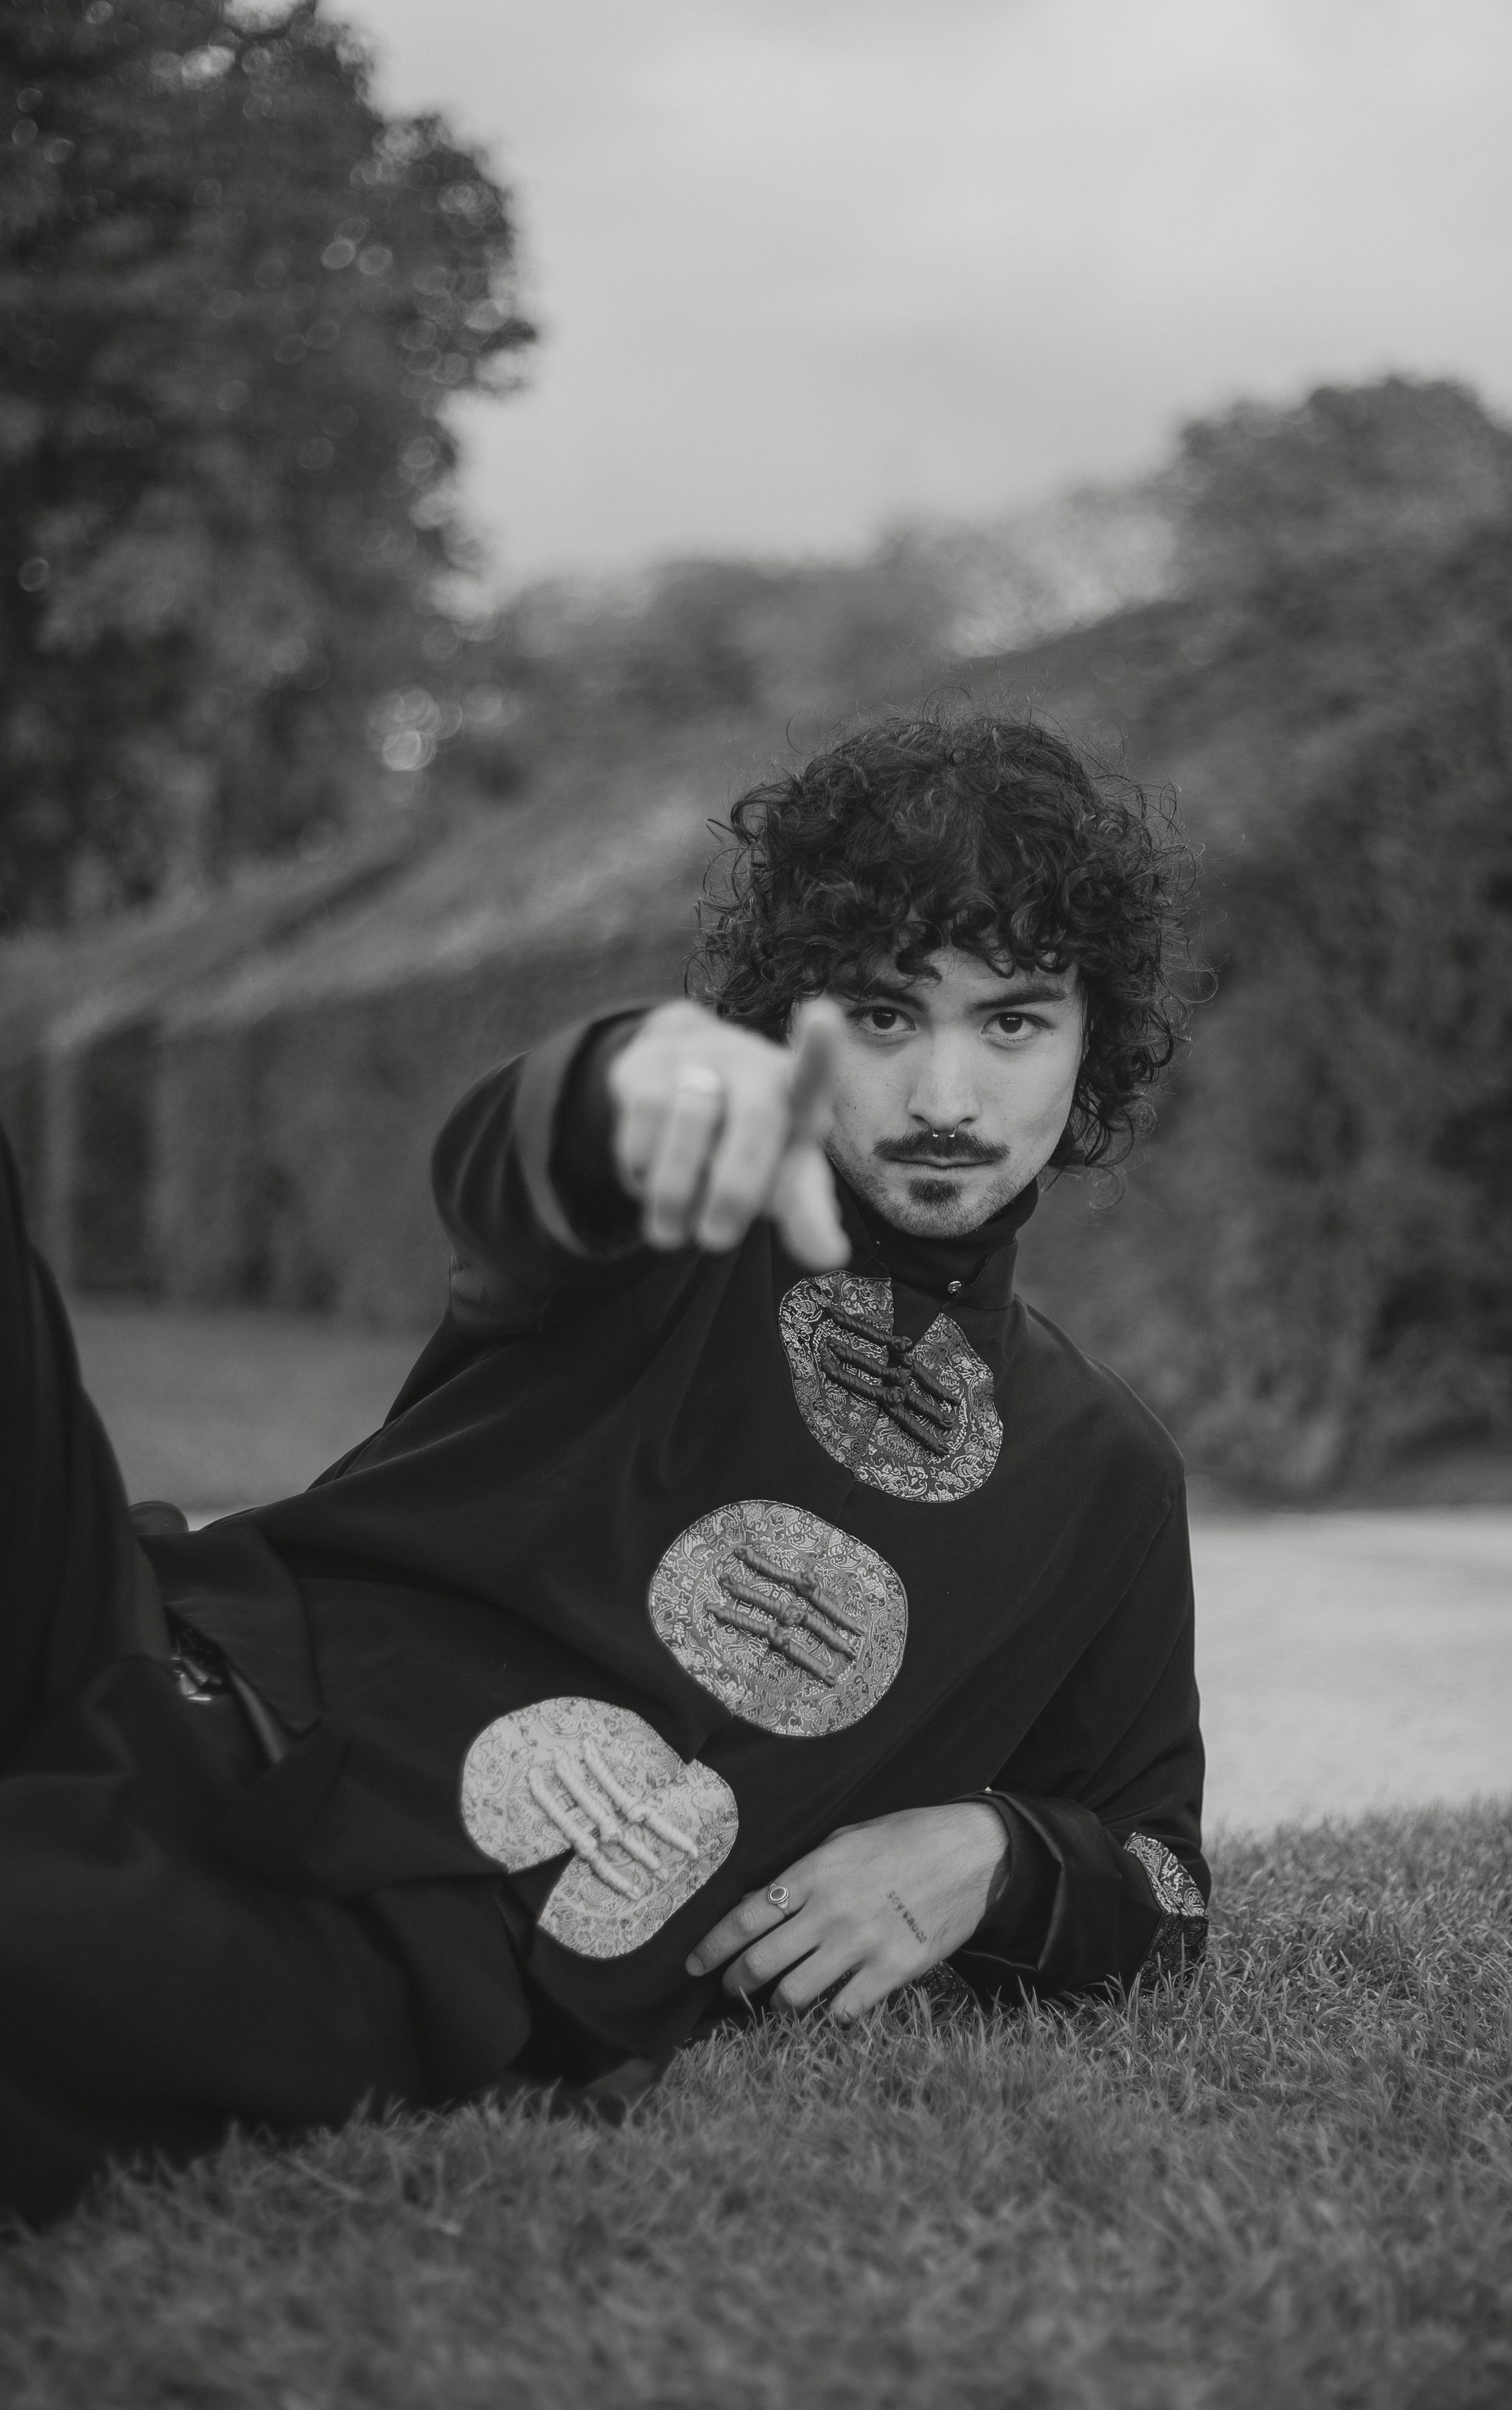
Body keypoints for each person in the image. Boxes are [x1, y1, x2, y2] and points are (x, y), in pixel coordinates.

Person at [0, 712, 1209, 2226]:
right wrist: (626, 1081)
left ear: (1094, 1040)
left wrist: (997, 1852)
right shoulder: (674, 1208)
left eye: (1015, 1021)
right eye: (887, 1017)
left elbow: (1161, 1875)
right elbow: (524, 1171)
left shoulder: (1100, 1473)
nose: (948, 1099)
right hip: (131, 1641)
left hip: (382, 1930)